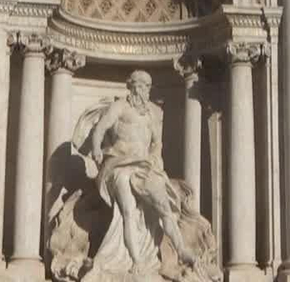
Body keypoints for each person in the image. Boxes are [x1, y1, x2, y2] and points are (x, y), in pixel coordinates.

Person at [77, 70, 204, 281]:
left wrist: (155, 160)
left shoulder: (152, 113)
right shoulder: (119, 107)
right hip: (118, 165)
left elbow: (157, 143)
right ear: (132, 86)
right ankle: (136, 261)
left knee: (165, 207)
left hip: (144, 166)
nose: (145, 90)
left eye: (147, 86)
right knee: (127, 209)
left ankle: (181, 249)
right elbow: (100, 128)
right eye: (142, 85)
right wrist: (97, 149)